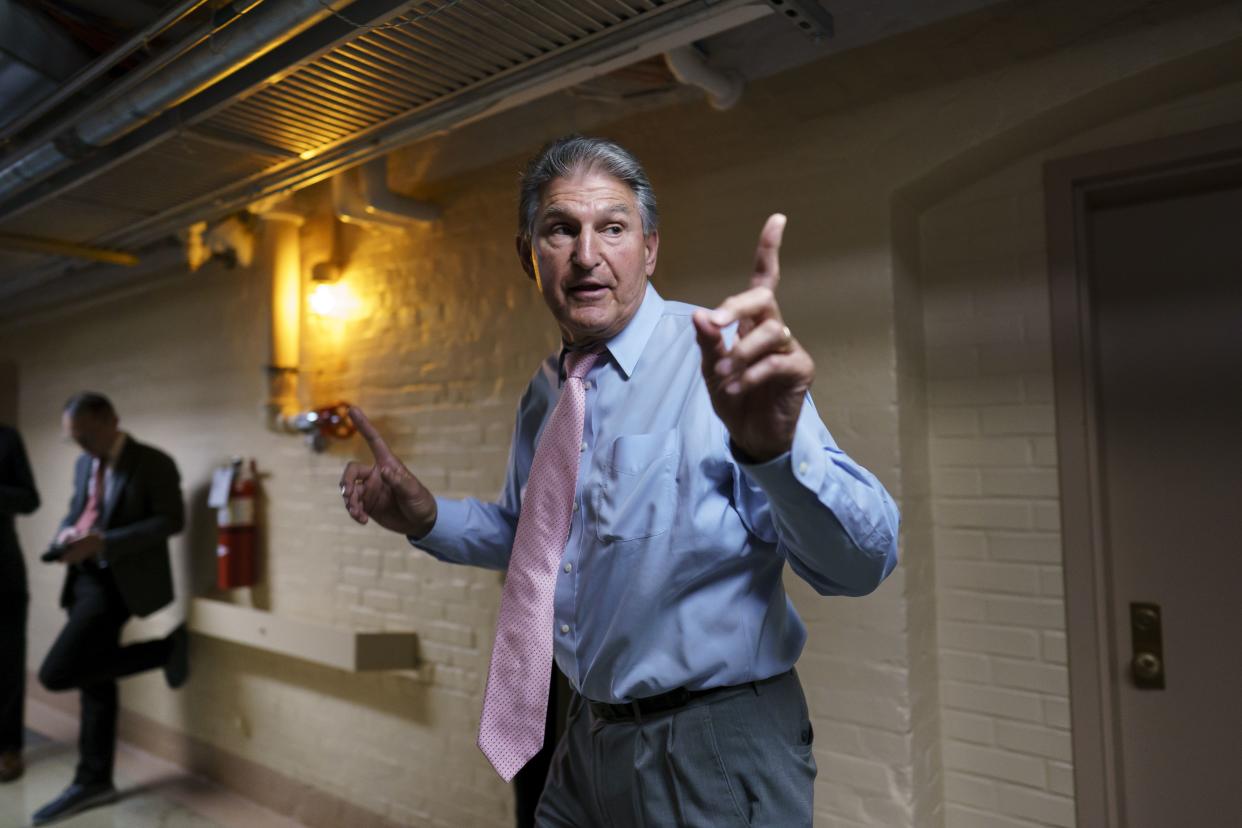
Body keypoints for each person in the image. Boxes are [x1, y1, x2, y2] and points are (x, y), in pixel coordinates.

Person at [339, 136, 900, 826]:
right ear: (528, 257)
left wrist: (777, 455)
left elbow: (862, 564)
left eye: (612, 227)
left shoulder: (718, 367)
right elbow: (537, 546)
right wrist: (427, 518)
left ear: (650, 249)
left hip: (712, 746)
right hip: (587, 733)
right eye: (560, 230)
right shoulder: (547, 393)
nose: (585, 255)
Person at [32, 392, 188, 826]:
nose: (80, 447)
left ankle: (165, 650)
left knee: (57, 672)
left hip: (118, 584)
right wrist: (66, 537)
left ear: (111, 420)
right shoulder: (86, 463)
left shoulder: (153, 461)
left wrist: (106, 543)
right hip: (82, 579)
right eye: (73, 440)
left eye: (85, 436)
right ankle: (94, 780)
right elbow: (79, 511)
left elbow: (171, 521)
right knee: (94, 678)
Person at [1, 423, 40, 783]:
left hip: (2, 567)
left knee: (8, 657)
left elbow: (30, 499)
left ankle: (8, 748)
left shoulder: (7, 438)